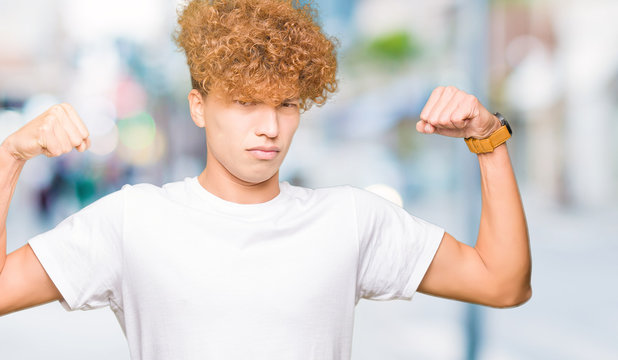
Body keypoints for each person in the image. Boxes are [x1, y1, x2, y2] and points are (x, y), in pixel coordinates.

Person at [0, 0, 531, 358]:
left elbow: (504, 283)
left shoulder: (349, 218)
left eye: (285, 104)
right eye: (246, 102)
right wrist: (10, 155)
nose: (271, 127)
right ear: (199, 107)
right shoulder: (132, 220)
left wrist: (488, 139)